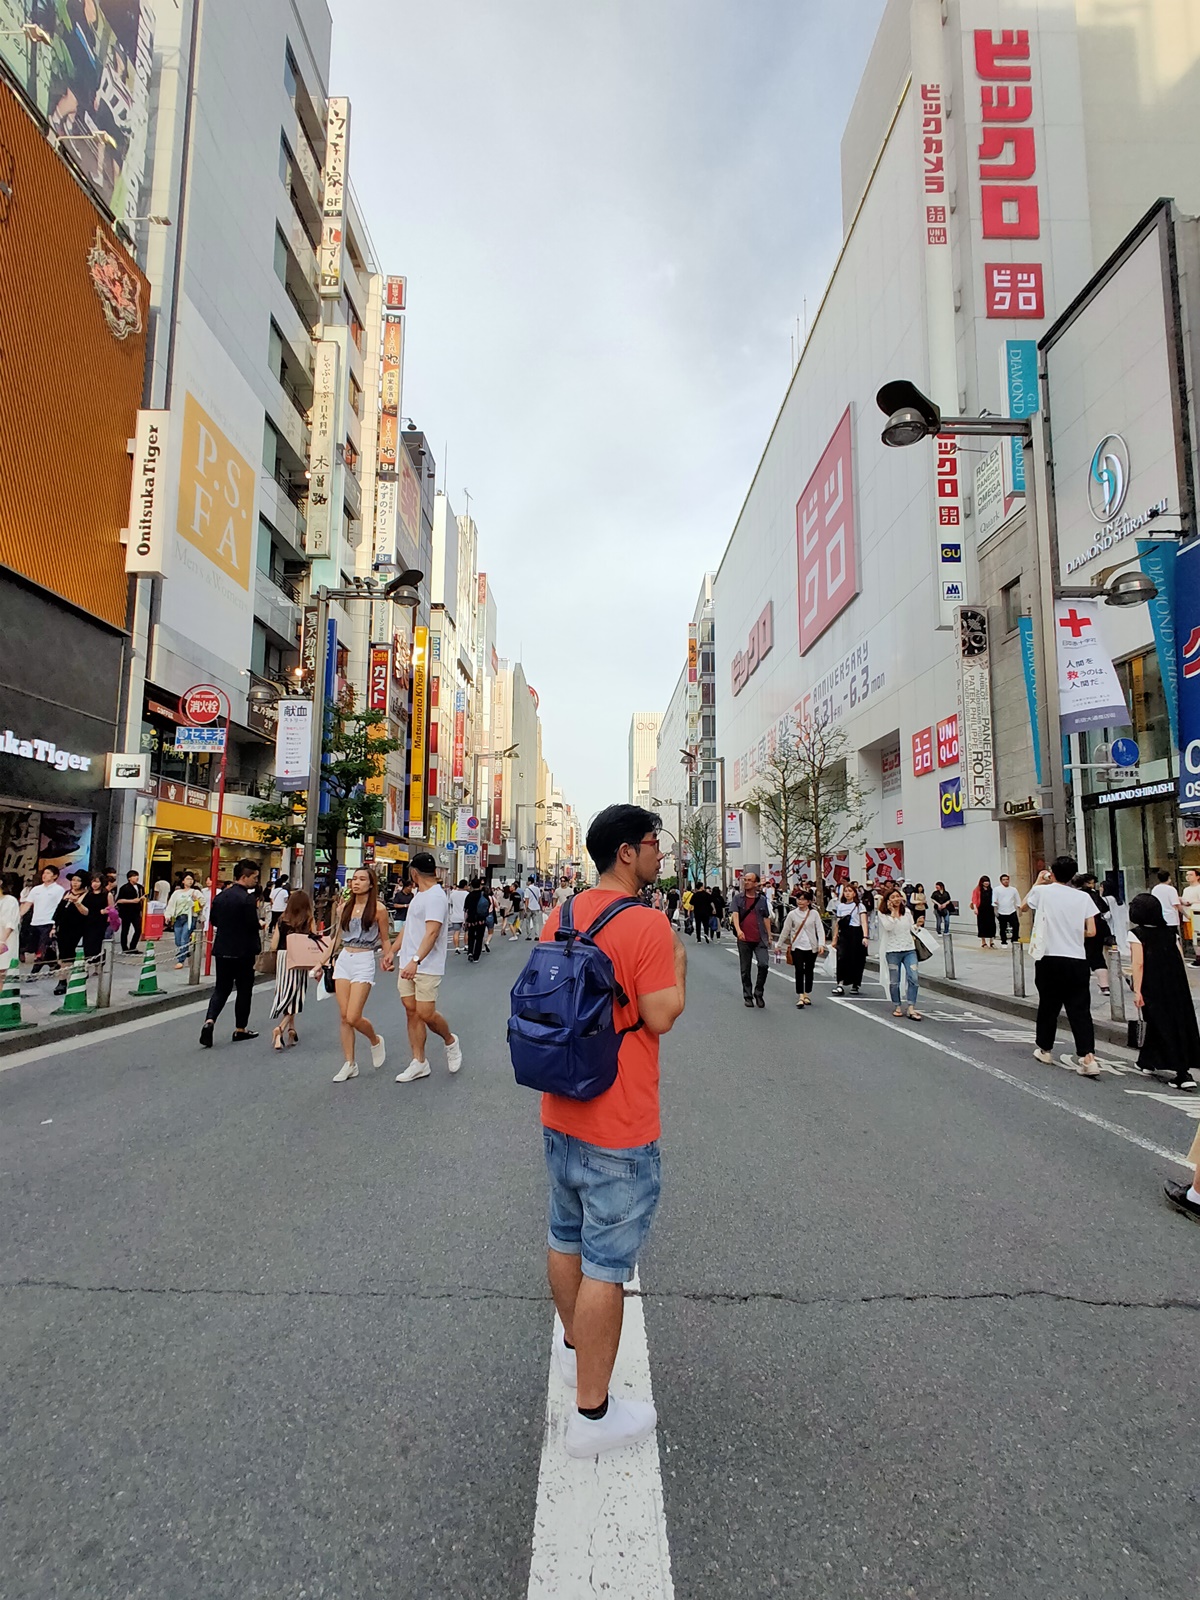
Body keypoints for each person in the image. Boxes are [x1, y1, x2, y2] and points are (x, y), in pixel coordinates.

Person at [537, 804, 686, 1458]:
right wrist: (677, 961)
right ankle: (592, 1415)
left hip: (561, 1105)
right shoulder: (647, 923)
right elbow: (661, 1015)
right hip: (619, 1119)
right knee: (605, 1264)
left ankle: (576, 1350)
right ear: (627, 852)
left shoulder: (563, 912)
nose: (659, 852)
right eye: (654, 842)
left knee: (564, 1235)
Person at [1022, 857, 1100, 1076]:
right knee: (1080, 1010)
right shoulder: (1083, 897)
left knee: (1049, 1006)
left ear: (1052, 873)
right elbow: (1092, 931)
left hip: (1049, 958)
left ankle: (1045, 1050)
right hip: (1077, 959)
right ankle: (1088, 1058)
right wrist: (1073, 931)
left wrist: (1038, 882)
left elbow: (1023, 906)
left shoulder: (1043, 892)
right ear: (1073, 875)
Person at [318, 866, 393, 1082]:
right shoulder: (344, 908)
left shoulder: (378, 909)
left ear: (371, 884)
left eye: (362, 879)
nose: (356, 883)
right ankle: (349, 1063)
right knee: (344, 1017)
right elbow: (336, 938)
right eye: (354, 879)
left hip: (364, 960)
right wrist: (319, 963)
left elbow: (385, 938)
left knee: (353, 1016)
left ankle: (375, 1040)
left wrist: (388, 957)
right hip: (344, 960)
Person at [393, 851, 461, 1082]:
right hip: (408, 963)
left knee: (425, 1013)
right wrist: (392, 951)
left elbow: (432, 933)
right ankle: (419, 1061)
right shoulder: (419, 895)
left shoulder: (435, 897)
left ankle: (450, 1041)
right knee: (411, 1011)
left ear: (413, 872)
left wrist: (415, 961)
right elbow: (409, 927)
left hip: (426, 965)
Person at [1127, 892, 1198, 1093]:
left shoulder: (1136, 934)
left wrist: (1137, 990)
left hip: (1152, 985)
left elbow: (1138, 964)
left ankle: (1182, 1074)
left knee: (1161, 1024)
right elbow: (1179, 958)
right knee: (1172, 1023)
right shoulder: (1170, 933)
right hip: (1176, 985)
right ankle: (1147, 1061)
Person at [199, 859, 262, 1048]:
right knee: (244, 989)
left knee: (221, 988)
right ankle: (240, 1029)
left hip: (223, 948)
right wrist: (259, 925)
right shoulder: (247, 899)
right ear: (244, 877)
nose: (256, 881)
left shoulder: (221, 897)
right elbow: (252, 924)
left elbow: (214, 920)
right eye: (254, 877)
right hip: (243, 951)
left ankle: (210, 1020)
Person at [269, 888, 321, 1051]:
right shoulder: (308, 919)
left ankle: (292, 1030)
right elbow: (314, 940)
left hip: (283, 957)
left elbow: (273, 944)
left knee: (287, 991)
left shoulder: (282, 919)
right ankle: (281, 1028)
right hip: (300, 957)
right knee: (296, 993)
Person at [878, 886, 922, 1020]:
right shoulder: (882, 913)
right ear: (887, 900)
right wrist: (892, 913)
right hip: (892, 950)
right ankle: (897, 1005)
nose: (896, 899)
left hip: (909, 948)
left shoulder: (906, 911)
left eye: (898, 896)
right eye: (893, 897)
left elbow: (911, 928)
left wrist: (917, 925)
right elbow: (888, 927)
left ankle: (911, 1007)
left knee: (913, 977)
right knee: (894, 981)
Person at [777, 889, 825, 1008]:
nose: (800, 901)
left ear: (809, 902)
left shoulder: (814, 914)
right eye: (798, 899)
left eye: (803, 899)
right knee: (799, 970)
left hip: (811, 947)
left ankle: (807, 993)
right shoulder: (792, 914)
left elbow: (820, 929)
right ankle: (801, 996)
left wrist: (821, 944)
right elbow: (786, 930)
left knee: (809, 970)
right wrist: (779, 944)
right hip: (797, 946)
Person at [731, 871, 771, 1008]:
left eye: (749, 880)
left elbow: (766, 917)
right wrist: (738, 930)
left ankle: (759, 992)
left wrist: (769, 935)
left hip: (760, 937)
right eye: (745, 880)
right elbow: (735, 915)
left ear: (756, 883)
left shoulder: (762, 899)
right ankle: (747, 996)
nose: (746, 882)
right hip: (744, 938)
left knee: (763, 965)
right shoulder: (738, 898)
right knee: (745, 969)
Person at [50, 871, 90, 993]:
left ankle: (65, 980)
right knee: (62, 955)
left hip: (79, 928)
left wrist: (76, 902)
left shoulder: (87, 895)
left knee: (70, 955)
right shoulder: (67, 893)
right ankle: (63, 979)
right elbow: (58, 912)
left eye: (78, 881)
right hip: (63, 928)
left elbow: (86, 913)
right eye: (73, 880)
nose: (75, 883)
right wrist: (54, 927)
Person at [22, 866, 65, 975]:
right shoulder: (36, 889)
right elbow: (27, 904)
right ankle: (53, 964)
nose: (45, 875)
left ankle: (34, 972)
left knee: (42, 948)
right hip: (35, 922)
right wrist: (17, 916)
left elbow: (60, 908)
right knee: (37, 947)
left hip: (48, 922)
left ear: (55, 876)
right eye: (44, 873)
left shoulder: (59, 890)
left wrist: (55, 925)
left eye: (48, 873)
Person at [1074, 870, 1112, 996]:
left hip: (1081, 929)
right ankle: (1105, 986)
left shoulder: (1076, 895)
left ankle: (1079, 985)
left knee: (1081, 957)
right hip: (1098, 929)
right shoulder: (1094, 895)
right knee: (1097, 957)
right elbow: (1104, 909)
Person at [830, 882, 868, 996]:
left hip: (856, 933)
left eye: (850, 891)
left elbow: (863, 922)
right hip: (844, 934)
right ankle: (840, 984)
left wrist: (865, 936)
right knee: (842, 958)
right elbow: (838, 923)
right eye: (845, 891)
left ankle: (855, 984)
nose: (847, 893)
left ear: (855, 893)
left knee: (857, 959)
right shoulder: (841, 906)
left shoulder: (860, 906)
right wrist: (834, 938)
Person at [164, 873, 200, 969]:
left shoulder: (195, 892)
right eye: (188, 879)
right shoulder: (177, 893)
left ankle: (181, 960)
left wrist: (196, 900)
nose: (190, 881)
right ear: (183, 881)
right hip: (179, 918)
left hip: (190, 917)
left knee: (184, 938)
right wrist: (168, 915)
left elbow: (202, 903)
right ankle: (185, 949)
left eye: (191, 879)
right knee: (178, 940)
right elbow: (171, 904)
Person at [81, 872, 109, 965]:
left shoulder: (107, 894)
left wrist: (105, 911)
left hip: (100, 922)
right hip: (88, 922)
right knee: (87, 944)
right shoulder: (87, 894)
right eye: (93, 881)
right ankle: (88, 964)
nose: (94, 884)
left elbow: (112, 909)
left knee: (97, 944)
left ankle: (98, 965)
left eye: (97, 882)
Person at [1151, 869, 1183, 940]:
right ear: (1168, 878)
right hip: (1171, 919)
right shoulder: (1171, 889)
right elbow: (1176, 904)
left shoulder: (1155, 889)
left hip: (1160, 918)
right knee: (1174, 939)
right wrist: (1186, 914)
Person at [0, 872, 22, 970]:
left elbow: (10, 923)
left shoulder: (9, 901)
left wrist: (2, 941)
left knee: (3, 969)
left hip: (5, 942)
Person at [464, 876, 489, 962]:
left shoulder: (469, 896)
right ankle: (476, 956)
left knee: (471, 936)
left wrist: (465, 920)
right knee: (479, 937)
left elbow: (466, 910)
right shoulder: (484, 895)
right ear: (480, 885)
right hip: (481, 919)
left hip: (471, 919)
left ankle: (470, 951)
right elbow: (488, 906)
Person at [992, 873, 1020, 946]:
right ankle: (1004, 941)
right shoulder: (996, 889)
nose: (1006, 881)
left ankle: (1014, 939)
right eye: (1004, 880)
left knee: (1016, 925)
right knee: (1003, 927)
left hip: (1012, 910)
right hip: (1001, 911)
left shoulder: (1013, 889)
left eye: (1007, 879)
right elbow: (994, 900)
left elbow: (1018, 899)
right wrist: (995, 908)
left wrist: (1019, 908)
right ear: (1001, 881)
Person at [1181, 868, 1200, 966]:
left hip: (1197, 917)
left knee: (1197, 938)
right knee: (1192, 938)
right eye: (1187, 875)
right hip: (1187, 916)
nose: (1188, 877)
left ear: (1197, 877)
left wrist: (1190, 902)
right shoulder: (1186, 889)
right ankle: (1197, 956)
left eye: (1191, 875)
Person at [972, 875, 996, 948]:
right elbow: (974, 899)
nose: (986, 883)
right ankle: (983, 942)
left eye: (987, 881)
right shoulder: (977, 890)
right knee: (982, 925)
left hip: (990, 909)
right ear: (981, 882)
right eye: (985, 881)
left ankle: (991, 941)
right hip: (981, 909)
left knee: (992, 925)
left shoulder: (991, 890)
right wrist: (975, 908)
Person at [449, 879, 469, 953]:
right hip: (465, 916)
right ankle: (466, 946)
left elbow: (451, 904)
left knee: (456, 932)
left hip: (455, 916)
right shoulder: (467, 894)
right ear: (465, 886)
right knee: (466, 932)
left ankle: (457, 947)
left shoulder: (453, 894)